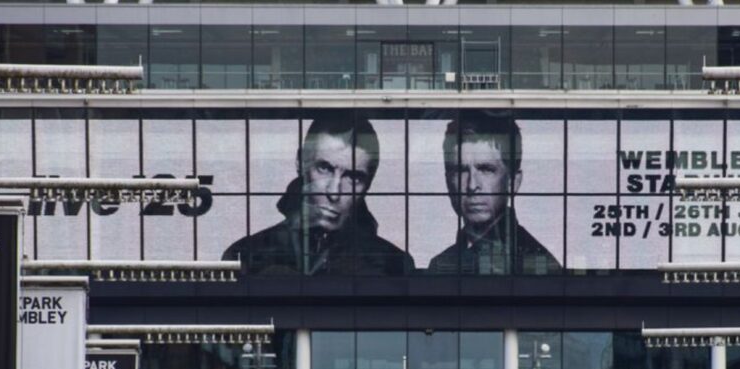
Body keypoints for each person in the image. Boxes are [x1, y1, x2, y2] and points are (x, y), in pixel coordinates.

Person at [223, 114, 413, 275]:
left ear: (368, 185)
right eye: (324, 168)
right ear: (300, 163)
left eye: (353, 178)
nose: (334, 191)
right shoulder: (246, 254)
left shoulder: (393, 263)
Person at [428, 111, 560, 275]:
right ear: (448, 181)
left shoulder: (537, 263)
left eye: (486, 170)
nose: (472, 185)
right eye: (460, 171)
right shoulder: (441, 263)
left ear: (513, 182)